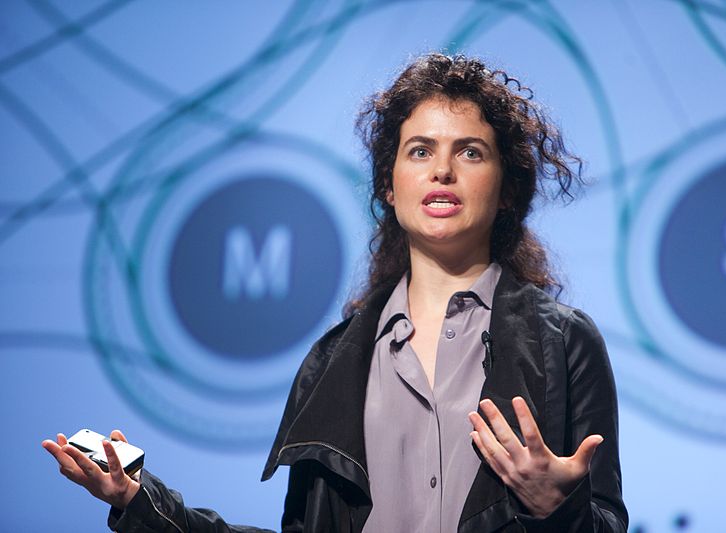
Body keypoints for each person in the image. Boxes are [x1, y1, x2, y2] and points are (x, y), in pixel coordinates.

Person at [44, 53, 627, 532]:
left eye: (470, 152)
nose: (442, 171)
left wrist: (560, 510)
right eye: (419, 151)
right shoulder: (333, 360)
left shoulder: (565, 341)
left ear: (506, 190)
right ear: (390, 187)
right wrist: (141, 503)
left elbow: (605, 521)